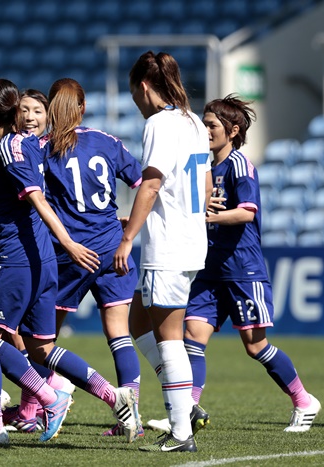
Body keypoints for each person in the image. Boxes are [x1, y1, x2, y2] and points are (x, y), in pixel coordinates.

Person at [0, 78, 138, 446]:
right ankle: (114, 396)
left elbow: (37, 198)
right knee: (40, 348)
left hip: (16, 255)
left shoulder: (12, 148)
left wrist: (69, 243)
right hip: (44, 258)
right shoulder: (32, 143)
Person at [148, 95, 321, 434]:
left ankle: (304, 401)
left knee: (255, 346)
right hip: (210, 269)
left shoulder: (240, 165)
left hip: (243, 269)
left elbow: (247, 213)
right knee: (192, 337)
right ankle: (186, 413)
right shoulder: (205, 168)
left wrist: (208, 215)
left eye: (211, 125)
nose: (205, 130)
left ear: (233, 130)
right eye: (203, 124)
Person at [113, 51, 211, 453]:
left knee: (169, 338)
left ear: (144, 87)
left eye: (134, 94)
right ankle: (185, 402)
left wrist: (127, 237)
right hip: (191, 240)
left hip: (168, 246)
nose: (136, 102)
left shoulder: (158, 123)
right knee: (138, 320)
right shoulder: (194, 122)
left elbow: (150, 185)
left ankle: (181, 431)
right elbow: (205, 187)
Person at [43, 78, 143, 438]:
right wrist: (129, 230)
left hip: (71, 253)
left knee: (40, 342)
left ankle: (41, 404)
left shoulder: (44, 148)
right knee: (119, 333)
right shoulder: (107, 141)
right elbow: (143, 184)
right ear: (83, 108)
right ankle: (132, 418)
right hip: (113, 247)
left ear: (51, 107)